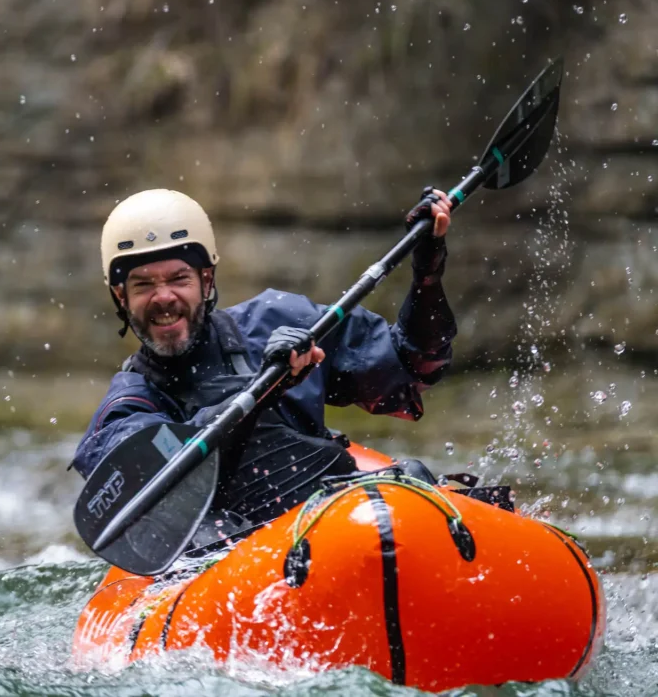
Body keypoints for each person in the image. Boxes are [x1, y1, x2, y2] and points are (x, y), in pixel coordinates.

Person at [70, 188, 456, 529]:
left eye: (178, 279)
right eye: (143, 284)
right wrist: (265, 389)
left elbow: (414, 365)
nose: (164, 297)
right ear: (122, 298)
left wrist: (427, 274)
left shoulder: (280, 319)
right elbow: (151, 475)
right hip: (231, 553)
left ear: (206, 281)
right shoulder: (125, 408)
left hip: (330, 514)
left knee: (416, 478)